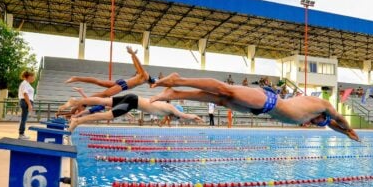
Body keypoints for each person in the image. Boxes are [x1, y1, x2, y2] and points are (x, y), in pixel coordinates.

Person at [150, 73, 360, 141]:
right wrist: (349, 128)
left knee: (220, 100)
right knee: (225, 91)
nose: (318, 123)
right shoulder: (322, 104)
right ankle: (178, 80)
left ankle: (176, 94)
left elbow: (332, 124)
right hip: (270, 101)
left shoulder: (318, 114)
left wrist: (345, 134)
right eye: (320, 121)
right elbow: (338, 119)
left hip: (261, 109)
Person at [63, 94, 203, 132]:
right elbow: (184, 116)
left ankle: (75, 102)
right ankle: (77, 121)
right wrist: (195, 117)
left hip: (133, 98)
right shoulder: (172, 109)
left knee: (103, 101)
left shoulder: (167, 108)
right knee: (107, 115)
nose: (173, 119)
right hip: (132, 103)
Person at [64, 46, 155, 98]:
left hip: (121, 82)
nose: (152, 87)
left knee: (98, 82)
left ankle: (76, 78)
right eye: (153, 85)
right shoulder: (146, 76)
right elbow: (140, 65)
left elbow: (136, 65)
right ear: (151, 82)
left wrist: (132, 55)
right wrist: (133, 54)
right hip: (123, 85)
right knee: (105, 94)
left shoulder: (143, 77)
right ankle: (86, 99)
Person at [18, 70, 36, 140]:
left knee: (24, 118)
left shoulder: (26, 83)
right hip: (25, 102)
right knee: (24, 118)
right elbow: (25, 94)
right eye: (33, 77)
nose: (34, 78)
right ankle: (21, 134)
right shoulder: (25, 83)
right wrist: (29, 104)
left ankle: (22, 133)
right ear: (29, 76)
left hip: (25, 102)